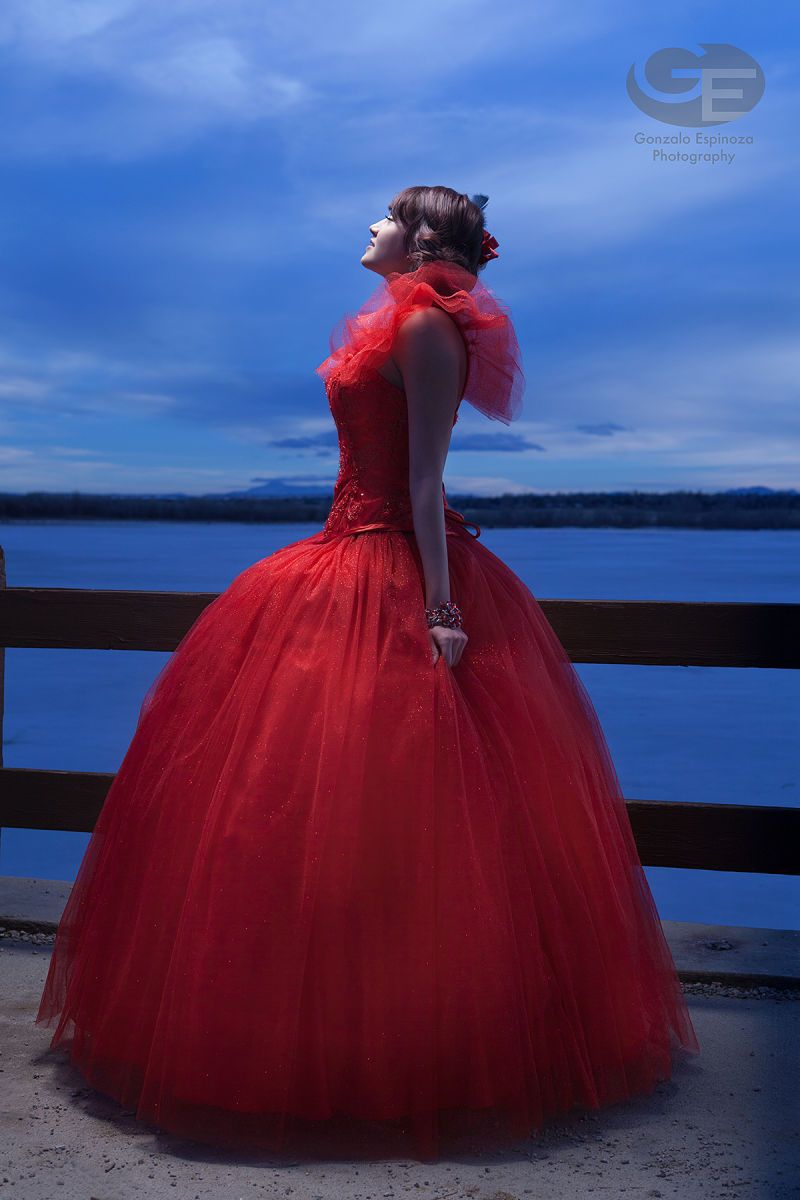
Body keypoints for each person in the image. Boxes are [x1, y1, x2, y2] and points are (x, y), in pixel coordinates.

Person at [34, 186, 700, 1163]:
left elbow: (426, 476)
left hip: (392, 569)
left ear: (422, 239)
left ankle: (412, 1044)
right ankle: (310, 1029)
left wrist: (439, 610)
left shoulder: (429, 328)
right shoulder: (393, 321)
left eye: (383, 219)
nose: (369, 230)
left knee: (408, 815)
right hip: (337, 556)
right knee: (290, 810)